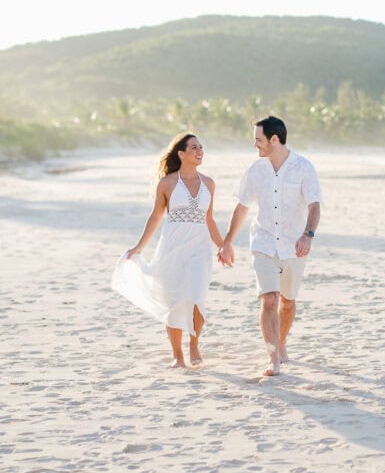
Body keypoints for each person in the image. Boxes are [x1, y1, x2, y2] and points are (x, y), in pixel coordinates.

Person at [218, 116, 322, 377]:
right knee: (269, 300)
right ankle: (273, 357)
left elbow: (314, 205)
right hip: (263, 242)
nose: (255, 145)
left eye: (258, 140)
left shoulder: (303, 167)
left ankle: (282, 341)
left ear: (274, 140)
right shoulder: (255, 170)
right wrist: (228, 241)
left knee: (287, 302)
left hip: (294, 245)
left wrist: (308, 235)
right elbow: (242, 207)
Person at [112, 133, 223, 368]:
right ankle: (177, 356)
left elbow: (210, 220)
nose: (199, 151)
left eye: (201, 147)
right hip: (172, 246)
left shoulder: (209, 184)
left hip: (200, 248)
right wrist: (139, 247)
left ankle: (194, 344)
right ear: (181, 154)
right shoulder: (167, 184)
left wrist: (223, 246)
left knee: (195, 297)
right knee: (173, 299)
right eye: (194, 147)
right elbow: (156, 217)